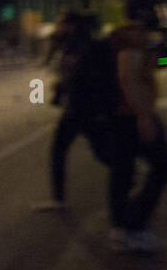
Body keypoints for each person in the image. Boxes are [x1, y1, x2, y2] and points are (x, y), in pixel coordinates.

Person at [108, 0, 167, 253]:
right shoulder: (131, 38)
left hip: (126, 113)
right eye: (154, 9)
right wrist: (144, 116)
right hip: (132, 113)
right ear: (143, 11)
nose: (158, 14)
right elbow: (128, 77)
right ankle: (134, 225)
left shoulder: (140, 38)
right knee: (163, 166)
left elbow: (160, 64)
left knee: (123, 171)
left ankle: (120, 227)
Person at [35, 11, 114, 210]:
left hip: (88, 109)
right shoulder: (69, 45)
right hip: (75, 109)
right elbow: (53, 65)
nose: (58, 27)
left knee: (102, 152)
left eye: (62, 23)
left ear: (73, 25)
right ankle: (58, 199)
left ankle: (126, 172)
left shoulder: (90, 46)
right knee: (60, 150)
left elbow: (95, 75)